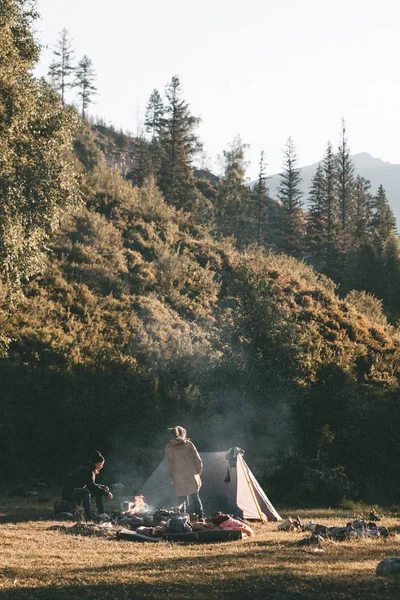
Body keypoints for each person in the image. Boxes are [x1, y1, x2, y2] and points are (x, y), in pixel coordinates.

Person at [165, 426, 204, 520]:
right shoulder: (189, 444)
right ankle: (200, 517)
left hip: (178, 477)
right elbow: (198, 460)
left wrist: (172, 475)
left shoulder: (169, 447)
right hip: (191, 475)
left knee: (181, 499)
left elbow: (168, 464)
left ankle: (182, 519)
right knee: (195, 496)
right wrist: (198, 472)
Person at [62, 451, 113, 521]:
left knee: (98, 492)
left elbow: (91, 484)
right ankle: (89, 518)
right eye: (100, 464)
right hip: (69, 492)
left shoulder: (89, 470)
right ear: (95, 463)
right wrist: (106, 493)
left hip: (77, 490)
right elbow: (91, 486)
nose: (101, 466)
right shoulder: (87, 470)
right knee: (86, 492)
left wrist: (103, 487)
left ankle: (102, 514)